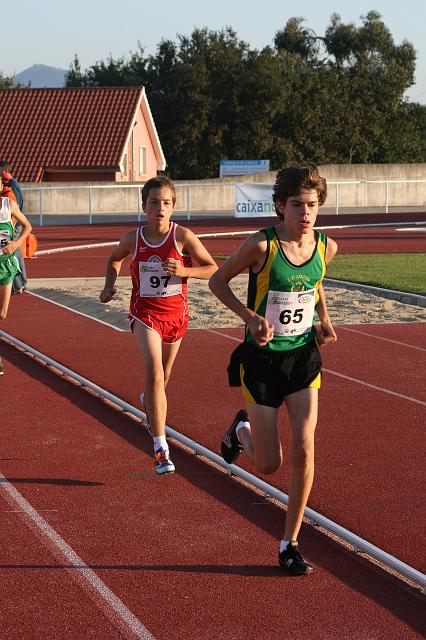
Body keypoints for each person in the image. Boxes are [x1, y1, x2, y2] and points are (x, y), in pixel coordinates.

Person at [209, 163, 338, 575]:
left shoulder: (324, 247)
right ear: (280, 206)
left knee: (304, 448)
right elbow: (217, 282)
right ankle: (240, 430)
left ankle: (289, 542)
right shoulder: (261, 247)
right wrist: (249, 318)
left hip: (302, 359)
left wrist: (324, 319)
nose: (305, 213)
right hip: (262, 362)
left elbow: (316, 284)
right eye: (297, 205)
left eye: (312, 205)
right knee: (268, 464)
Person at [100, 176, 217, 474]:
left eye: (166, 203)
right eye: (154, 203)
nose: (160, 209)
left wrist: (185, 269)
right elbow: (114, 259)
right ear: (144, 207)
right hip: (144, 314)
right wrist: (109, 287)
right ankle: (160, 448)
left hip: (176, 316)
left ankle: (150, 399)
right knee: (153, 373)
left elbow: (213, 268)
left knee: (162, 379)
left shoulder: (183, 237)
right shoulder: (133, 239)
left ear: (173, 208)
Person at [0, 174, 32, 374]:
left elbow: (28, 227)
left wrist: (16, 244)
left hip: (5, 263)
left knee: (2, 314)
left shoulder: (8, 205)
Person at [0, 162, 27, 295]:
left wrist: (11, 224)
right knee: (15, 252)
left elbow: (16, 207)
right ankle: (21, 283)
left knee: (12, 251)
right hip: (13, 223)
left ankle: (16, 285)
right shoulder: (12, 185)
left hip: (14, 223)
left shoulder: (11, 189)